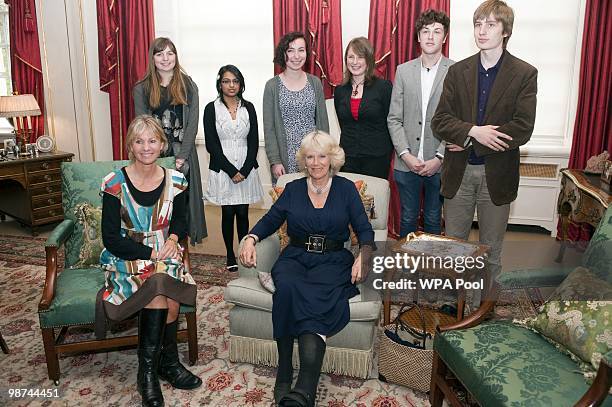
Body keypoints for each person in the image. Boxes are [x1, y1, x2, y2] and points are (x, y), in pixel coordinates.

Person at [239, 130, 374, 406]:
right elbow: (271, 219)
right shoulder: (293, 189)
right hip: (296, 257)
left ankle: (304, 387)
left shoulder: (346, 189)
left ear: (332, 158)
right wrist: (251, 238)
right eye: (310, 157)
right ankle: (285, 370)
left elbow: (364, 229)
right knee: (286, 287)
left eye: (322, 156)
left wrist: (365, 254)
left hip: (334, 261)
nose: (316, 163)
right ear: (304, 160)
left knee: (316, 293)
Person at [431, 0, 537, 285]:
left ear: (505, 30)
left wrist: (469, 141)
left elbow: (523, 128)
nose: (482, 30)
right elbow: (440, 120)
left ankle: (484, 311)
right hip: (458, 174)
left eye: (490, 24)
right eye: (478, 24)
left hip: (497, 175)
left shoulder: (525, 73)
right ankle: (453, 306)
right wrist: (473, 132)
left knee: (490, 251)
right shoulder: (457, 71)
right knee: (454, 248)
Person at [99, 116, 202, 407]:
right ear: (130, 145)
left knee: (169, 299)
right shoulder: (113, 183)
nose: (146, 147)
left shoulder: (177, 179)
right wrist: (150, 253)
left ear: (162, 144)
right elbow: (110, 238)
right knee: (158, 293)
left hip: (166, 251)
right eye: (139, 141)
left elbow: (181, 221)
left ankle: (165, 363)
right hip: (127, 256)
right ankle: (147, 374)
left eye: (152, 140)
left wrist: (172, 240)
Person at [133, 37, 207, 245]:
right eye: (159, 54)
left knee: (182, 205)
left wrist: (181, 157)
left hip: (183, 155)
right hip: (152, 156)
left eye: (170, 53)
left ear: (176, 56)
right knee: (157, 205)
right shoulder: (142, 88)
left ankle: (180, 250)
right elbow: (143, 125)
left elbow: (192, 124)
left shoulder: (188, 85)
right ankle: (155, 248)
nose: (165, 58)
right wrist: (155, 157)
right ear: (152, 58)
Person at [387, 9, 452, 237]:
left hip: (440, 164)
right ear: (418, 37)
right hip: (407, 163)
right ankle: (406, 268)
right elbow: (394, 118)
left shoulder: (455, 71)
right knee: (407, 217)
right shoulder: (403, 71)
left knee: (435, 218)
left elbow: (456, 121)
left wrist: (439, 157)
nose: (430, 37)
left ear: (444, 37)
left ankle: (431, 267)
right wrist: (405, 154)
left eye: (437, 31)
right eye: (426, 31)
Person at [204, 65, 263, 271]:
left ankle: (244, 250)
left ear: (241, 84)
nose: (231, 85)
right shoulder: (211, 108)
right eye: (227, 81)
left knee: (243, 213)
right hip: (223, 168)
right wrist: (231, 171)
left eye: (235, 81)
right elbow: (211, 144)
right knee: (228, 213)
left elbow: (254, 141)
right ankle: (230, 254)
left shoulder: (250, 108)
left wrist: (244, 170)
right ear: (220, 84)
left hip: (246, 167)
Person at [263, 31, 330, 181]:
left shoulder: (315, 83)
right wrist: (275, 161)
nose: (296, 56)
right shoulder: (272, 86)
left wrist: (324, 156)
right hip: (285, 159)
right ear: (283, 54)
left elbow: (323, 124)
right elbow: (269, 129)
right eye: (290, 51)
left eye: (301, 50)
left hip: (313, 157)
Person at [334, 37, 393, 179]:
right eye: (350, 57)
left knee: (374, 198)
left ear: (368, 60)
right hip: (347, 158)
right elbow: (344, 125)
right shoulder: (340, 90)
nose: (355, 62)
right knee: (348, 199)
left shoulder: (383, 87)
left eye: (360, 57)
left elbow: (391, 122)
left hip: (377, 158)